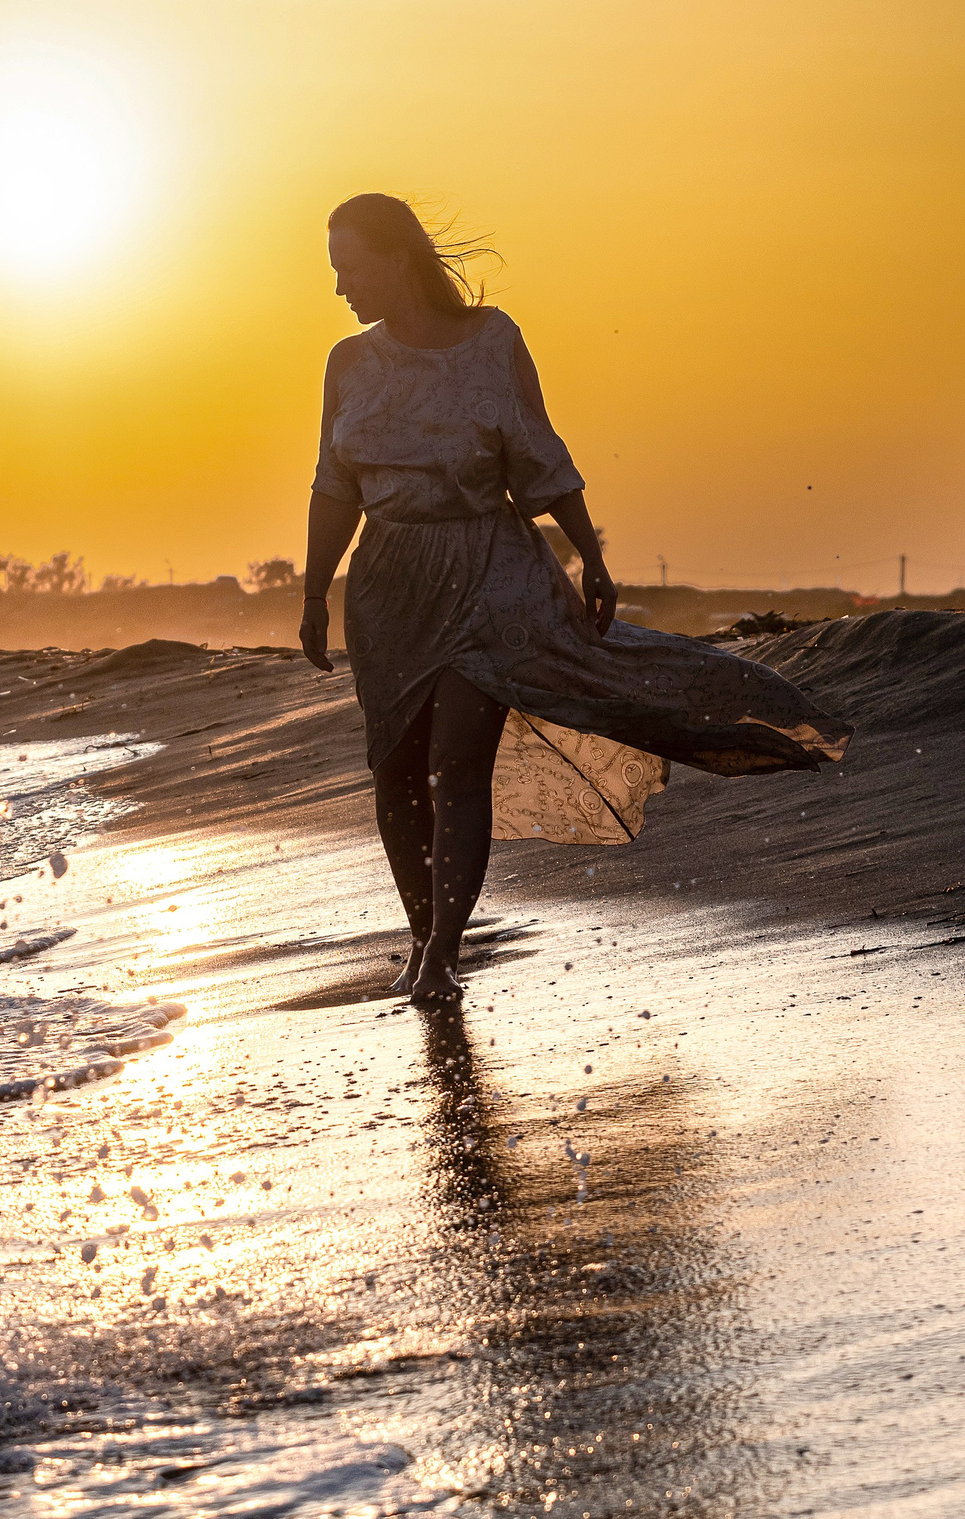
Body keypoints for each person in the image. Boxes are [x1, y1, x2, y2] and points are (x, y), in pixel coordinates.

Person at [299, 194, 850, 1004]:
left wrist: (590, 554)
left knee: (457, 764)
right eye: (335, 270)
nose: (342, 286)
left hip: (491, 570)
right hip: (390, 588)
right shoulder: (348, 363)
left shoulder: (492, 342)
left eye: (350, 266)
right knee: (396, 773)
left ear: (399, 258)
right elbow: (333, 487)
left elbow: (539, 456)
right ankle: (422, 936)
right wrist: (314, 591)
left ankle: (445, 953)